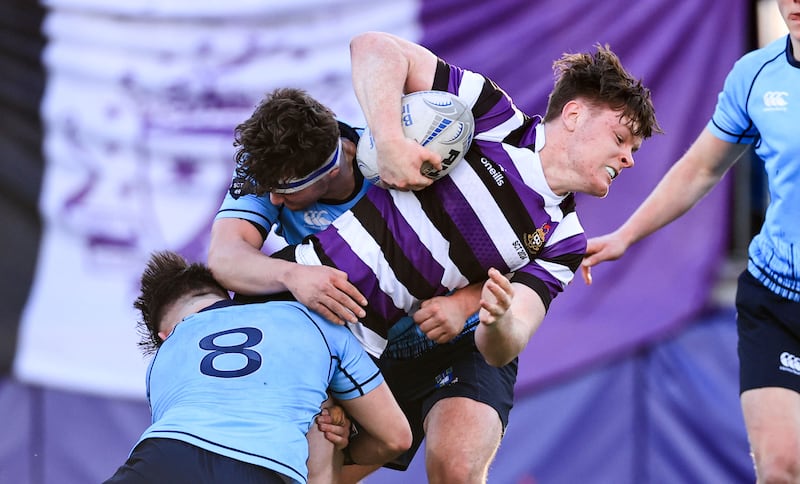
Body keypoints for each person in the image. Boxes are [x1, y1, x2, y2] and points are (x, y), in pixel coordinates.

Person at [210, 31, 660, 483]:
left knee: (457, 468)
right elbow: (373, 47)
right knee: (307, 470)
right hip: (354, 331)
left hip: (447, 337)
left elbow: (509, 338)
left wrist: (495, 317)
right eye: (621, 138)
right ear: (575, 115)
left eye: (634, 150)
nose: (629, 160)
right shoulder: (493, 118)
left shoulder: (565, 239)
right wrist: (388, 143)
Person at [580, 1, 800, 482]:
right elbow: (701, 168)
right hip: (777, 299)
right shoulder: (755, 75)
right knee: (782, 468)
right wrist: (625, 235)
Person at [104, 250, 411, 484]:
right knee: (325, 417)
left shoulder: (164, 356)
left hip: (162, 460)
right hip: (264, 469)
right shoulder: (316, 320)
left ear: (164, 334)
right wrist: (349, 451)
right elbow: (396, 438)